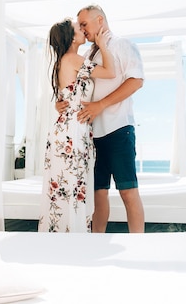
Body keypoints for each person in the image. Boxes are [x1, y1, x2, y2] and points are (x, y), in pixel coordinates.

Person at [60, 4, 145, 233]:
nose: (82, 29)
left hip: (118, 130)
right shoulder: (88, 54)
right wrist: (64, 102)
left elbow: (136, 81)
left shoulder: (122, 45)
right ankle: (96, 243)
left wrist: (100, 105)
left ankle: (140, 245)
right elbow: (75, 86)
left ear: (100, 21)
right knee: (97, 194)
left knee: (128, 192)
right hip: (91, 136)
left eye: (84, 24)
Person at [38, 18, 115, 233]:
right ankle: (72, 238)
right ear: (72, 37)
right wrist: (102, 45)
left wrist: (60, 104)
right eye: (77, 28)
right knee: (71, 186)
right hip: (72, 132)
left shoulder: (67, 59)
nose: (82, 29)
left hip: (72, 129)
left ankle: (66, 236)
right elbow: (110, 72)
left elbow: (67, 94)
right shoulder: (72, 59)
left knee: (68, 188)